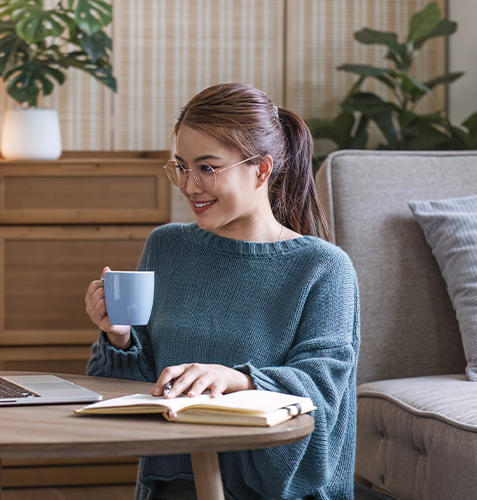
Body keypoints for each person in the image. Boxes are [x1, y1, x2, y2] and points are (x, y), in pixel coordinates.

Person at [84, 82, 359, 500]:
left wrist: (237, 380)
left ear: (262, 169)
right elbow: (138, 393)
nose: (190, 185)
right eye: (181, 166)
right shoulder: (167, 246)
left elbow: (321, 393)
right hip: (169, 489)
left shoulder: (323, 268)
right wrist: (119, 336)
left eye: (207, 168)